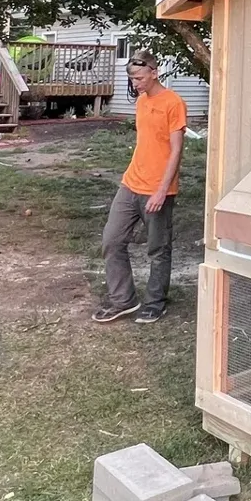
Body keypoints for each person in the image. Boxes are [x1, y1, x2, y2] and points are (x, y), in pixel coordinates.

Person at [94, 51, 187, 323]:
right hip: (131, 183)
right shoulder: (142, 102)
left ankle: (155, 302)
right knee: (111, 240)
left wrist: (161, 190)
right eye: (132, 79)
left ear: (154, 72)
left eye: (139, 78)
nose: (135, 84)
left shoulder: (173, 103)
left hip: (158, 189)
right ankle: (124, 300)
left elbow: (176, 150)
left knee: (158, 249)